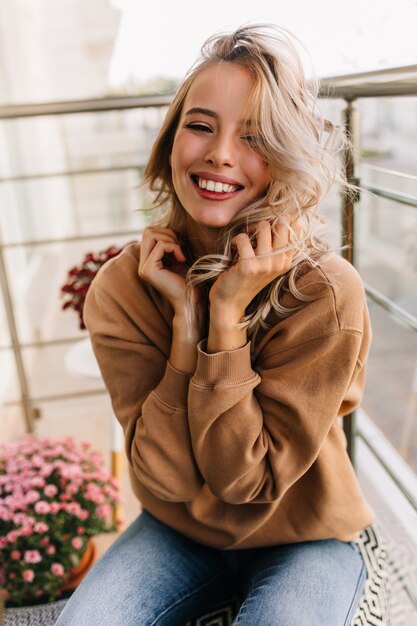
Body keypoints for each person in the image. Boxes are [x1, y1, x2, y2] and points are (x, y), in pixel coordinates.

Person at [56, 23, 374, 626]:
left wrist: (225, 320)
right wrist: (186, 327)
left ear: (285, 159)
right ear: (170, 141)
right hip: (177, 530)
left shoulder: (325, 292)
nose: (221, 153)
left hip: (305, 534)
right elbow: (165, 477)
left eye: (254, 137)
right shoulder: (123, 289)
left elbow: (246, 482)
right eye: (200, 125)